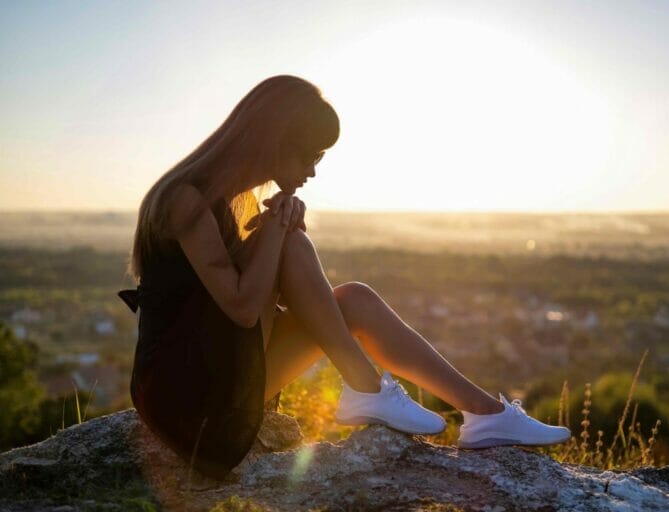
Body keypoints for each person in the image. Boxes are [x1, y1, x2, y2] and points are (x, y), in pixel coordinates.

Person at [118, 74, 570, 480]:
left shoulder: (237, 206)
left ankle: (484, 414)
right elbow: (241, 308)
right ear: (275, 141)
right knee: (293, 243)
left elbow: (259, 309)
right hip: (188, 403)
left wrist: (277, 231)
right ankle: (365, 387)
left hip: (221, 373)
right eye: (310, 156)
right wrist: (279, 231)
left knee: (352, 299)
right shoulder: (185, 199)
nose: (313, 171)